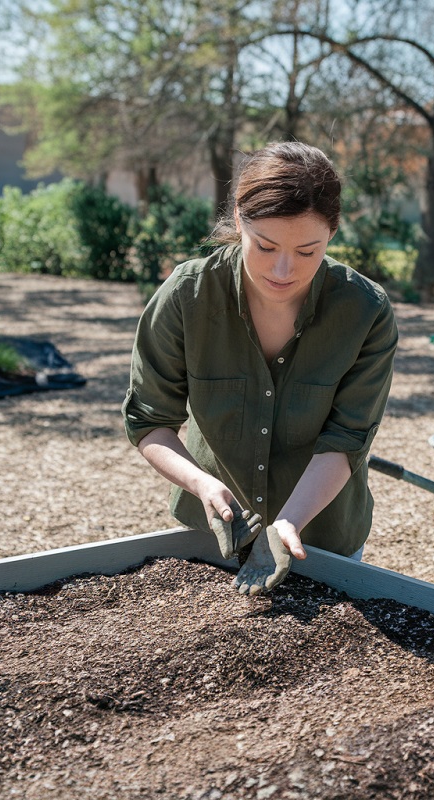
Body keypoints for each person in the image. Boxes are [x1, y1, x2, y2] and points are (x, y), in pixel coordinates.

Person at [122, 142, 398, 596]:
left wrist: (290, 521)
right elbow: (150, 421)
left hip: (324, 540)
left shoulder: (365, 311)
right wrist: (203, 486)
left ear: (332, 232)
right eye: (265, 246)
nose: (284, 269)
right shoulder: (187, 296)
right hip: (210, 540)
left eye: (308, 252)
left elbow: (347, 439)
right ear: (238, 217)